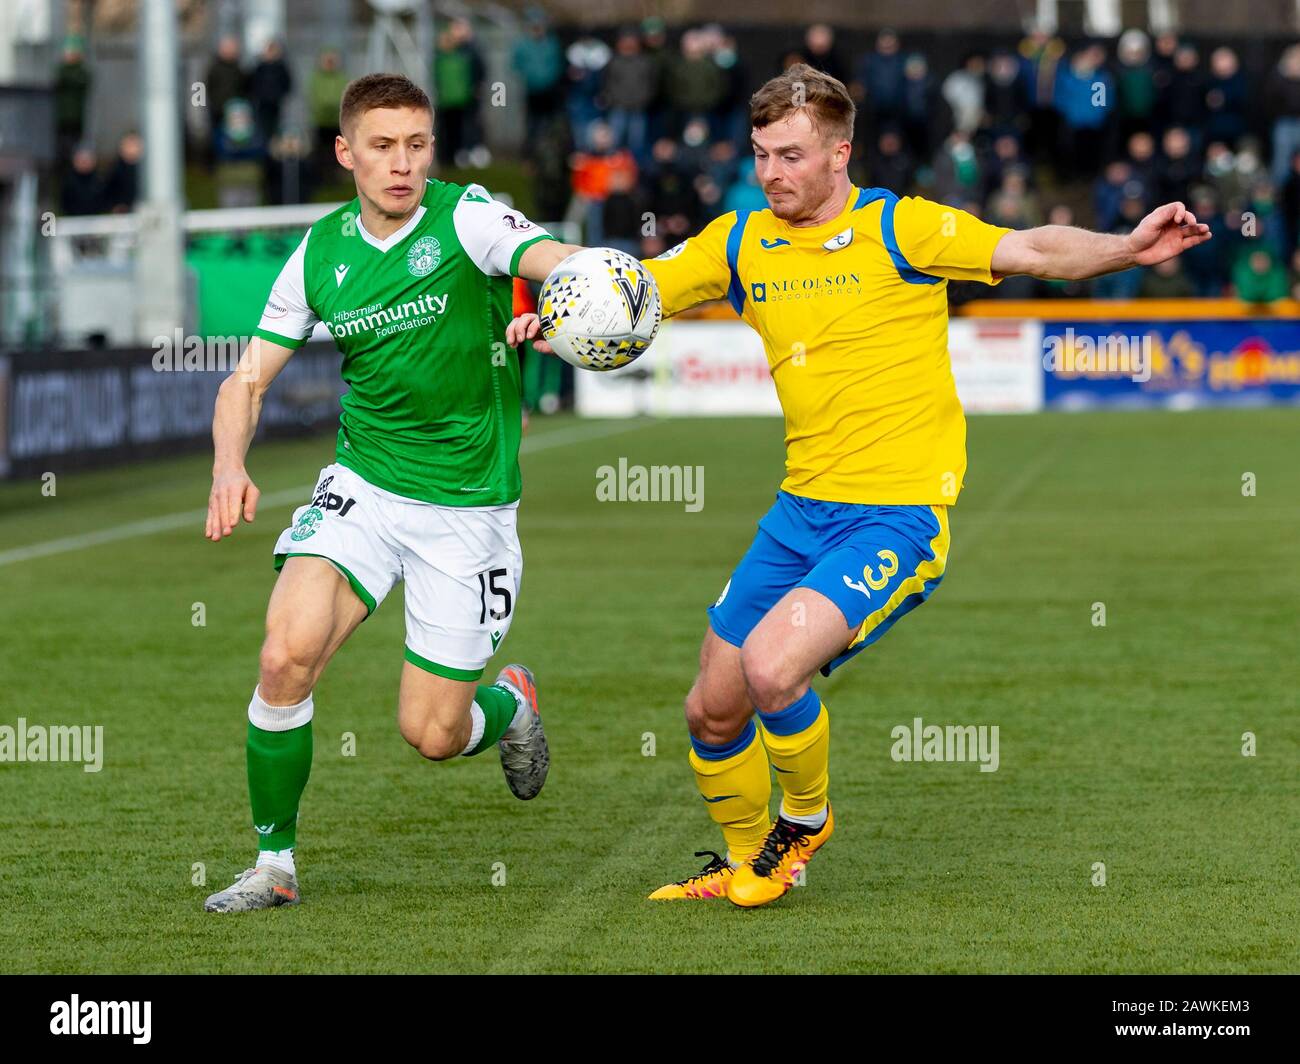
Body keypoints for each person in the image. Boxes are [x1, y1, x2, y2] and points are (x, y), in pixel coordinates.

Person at [508, 64, 1210, 908]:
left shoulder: (903, 229)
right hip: (800, 509)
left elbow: (1026, 249)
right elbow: (639, 291)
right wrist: (562, 319)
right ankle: (740, 861)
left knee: (773, 671)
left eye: (793, 156)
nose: (773, 173)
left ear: (841, 152)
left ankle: (802, 822)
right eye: (763, 154)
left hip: (898, 514)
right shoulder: (741, 241)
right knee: (711, 708)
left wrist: (1127, 246)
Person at [202, 73, 587, 913]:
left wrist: (566, 295)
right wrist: (230, 464)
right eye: (381, 146)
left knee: (433, 735)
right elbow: (247, 379)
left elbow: (551, 257)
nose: (402, 164)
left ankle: (507, 703)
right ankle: (274, 866)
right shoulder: (321, 250)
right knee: (283, 654)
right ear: (346, 153)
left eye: (416, 145)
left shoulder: (471, 218)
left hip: (468, 512)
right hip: (365, 488)